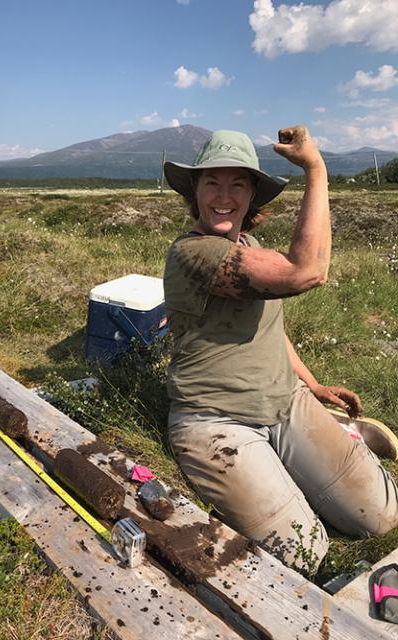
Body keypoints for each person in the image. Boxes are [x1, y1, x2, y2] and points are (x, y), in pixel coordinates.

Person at [163, 126, 398, 574]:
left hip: (286, 403)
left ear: (253, 195)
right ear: (195, 190)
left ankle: (338, 436)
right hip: (215, 421)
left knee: (383, 517)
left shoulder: (248, 246)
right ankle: (302, 463)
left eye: (238, 183)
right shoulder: (192, 254)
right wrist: (316, 167)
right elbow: (306, 272)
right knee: (305, 551)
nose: (224, 195)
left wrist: (313, 385)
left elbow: (268, 327)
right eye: (212, 181)